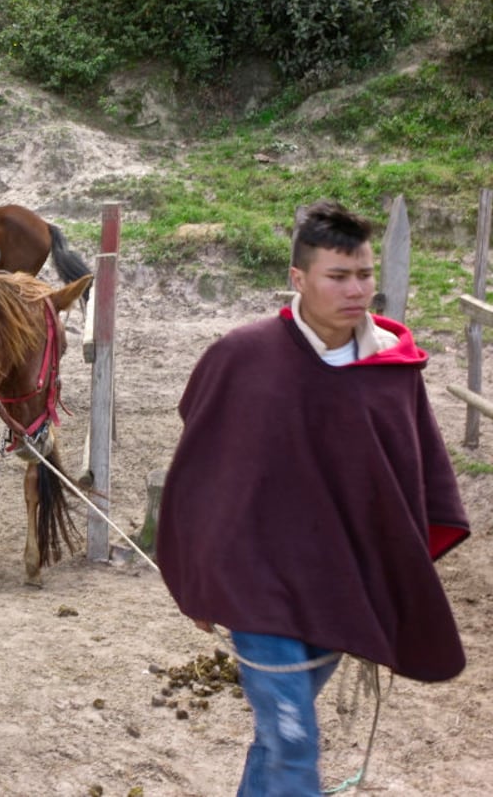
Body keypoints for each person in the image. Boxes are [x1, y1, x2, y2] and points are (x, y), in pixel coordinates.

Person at [156, 200, 470, 796]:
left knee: (278, 739)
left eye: (365, 275)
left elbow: (408, 476)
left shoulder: (390, 366)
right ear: (299, 279)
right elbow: (205, 475)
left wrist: (392, 570)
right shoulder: (242, 357)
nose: (356, 291)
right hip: (256, 587)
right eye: (338, 276)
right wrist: (197, 575)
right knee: (295, 741)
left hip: (339, 587)